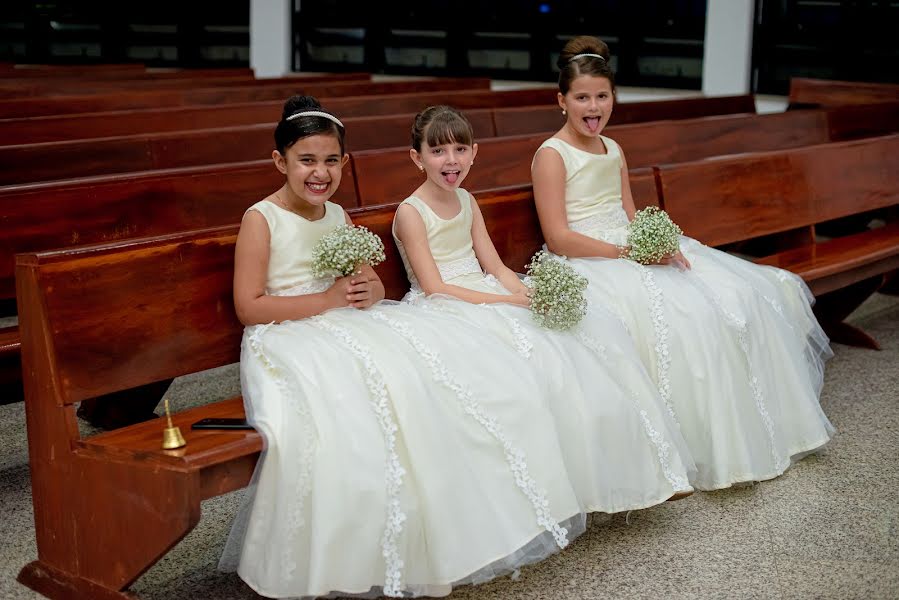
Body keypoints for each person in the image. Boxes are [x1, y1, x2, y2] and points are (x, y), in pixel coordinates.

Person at [222, 95, 586, 598]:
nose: (320, 173)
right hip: (286, 337)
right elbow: (249, 306)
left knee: (423, 377)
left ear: (344, 164)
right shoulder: (260, 218)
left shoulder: (336, 214)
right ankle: (350, 543)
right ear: (280, 161)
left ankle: (434, 529)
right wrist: (328, 299)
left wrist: (365, 291)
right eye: (307, 160)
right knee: (352, 405)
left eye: (331, 161)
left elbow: (370, 285)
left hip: (340, 322)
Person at [530, 35, 835, 491]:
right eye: (582, 98)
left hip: (627, 246)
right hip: (589, 257)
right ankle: (681, 446)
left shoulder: (613, 149)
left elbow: (630, 214)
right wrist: (628, 254)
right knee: (680, 317)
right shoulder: (552, 155)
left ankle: (756, 428)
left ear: (613, 97)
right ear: (562, 101)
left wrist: (658, 244)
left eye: (602, 96)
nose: (593, 107)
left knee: (736, 294)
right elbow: (558, 236)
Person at [392, 105, 694, 516]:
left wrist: (526, 291)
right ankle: (546, 495)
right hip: (446, 308)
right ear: (417, 157)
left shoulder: (466, 200)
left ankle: (630, 472)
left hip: (487, 291)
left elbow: (495, 266)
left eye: (460, 150)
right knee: (522, 366)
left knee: (584, 338)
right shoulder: (411, 212)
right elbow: (435, 287)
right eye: (439, 151)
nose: (451, 162)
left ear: (474, 153)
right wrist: (505, 301)